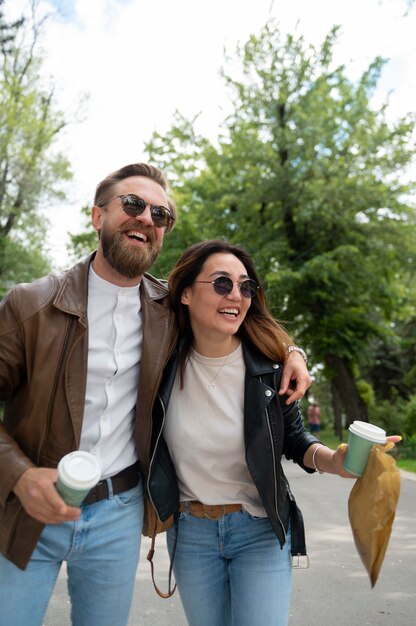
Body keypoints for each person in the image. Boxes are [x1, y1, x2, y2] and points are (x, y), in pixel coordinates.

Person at [0, 164, 310, 626]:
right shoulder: (31, 304)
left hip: (117, 513)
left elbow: (232, 315)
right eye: (132, 205)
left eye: (160, 214)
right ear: (96, 216)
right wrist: (20, 476)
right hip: (29, 508)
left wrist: (292, 350)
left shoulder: (169, 309)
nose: (146, 217)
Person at [146, 240, 373, 626]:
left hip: (259, 531)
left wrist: (334, 461)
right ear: (185, 293)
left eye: (245, 286)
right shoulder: (159, 363)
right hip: (191, 534)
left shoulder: (269, 368)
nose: (236, 295)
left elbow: (296, 440)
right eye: (221, 283)